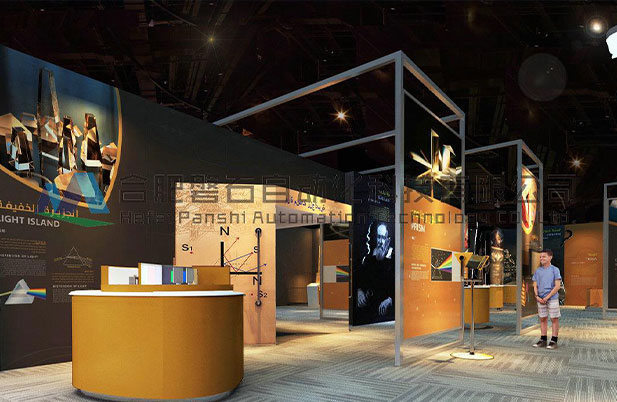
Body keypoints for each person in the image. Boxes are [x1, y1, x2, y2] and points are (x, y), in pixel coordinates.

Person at [356, 222, 394, 320]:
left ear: (388, 240)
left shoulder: (393, 258)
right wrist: (359, 291)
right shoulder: (369, 259)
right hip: (368, 310)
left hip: (384, 314)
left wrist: (390, 300)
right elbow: (361, 279)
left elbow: (396, 286)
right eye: (379, 237)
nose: (380, 241)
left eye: (383, 238)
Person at [532, 249, 562, 349]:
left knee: (554, 319)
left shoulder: (555, 270)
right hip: (540, 299)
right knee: (543, 318)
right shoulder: (538, 271)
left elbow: (557, 286)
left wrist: (547, 297)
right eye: (540, 257)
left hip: (552, 298)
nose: (541, 258)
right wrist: (537, 296)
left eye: (544, 257)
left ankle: (554, 341)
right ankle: (543, 339)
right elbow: (535, 285)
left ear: (550, 257)